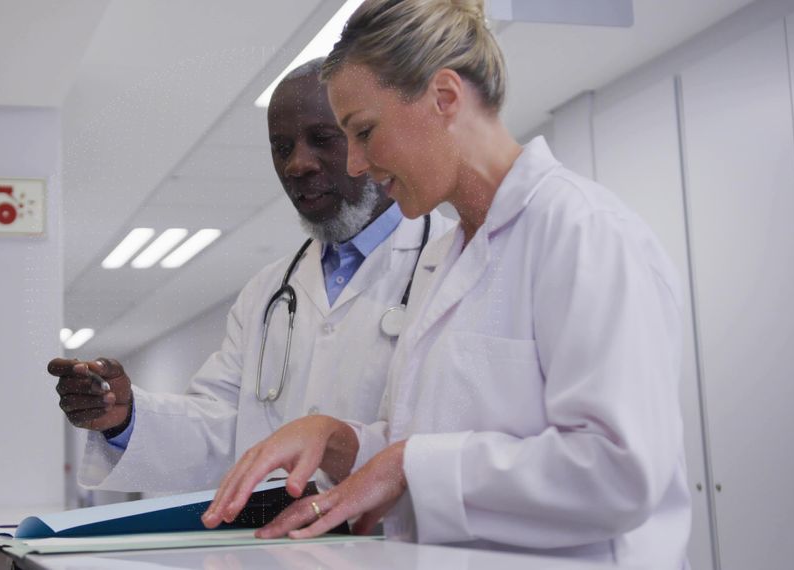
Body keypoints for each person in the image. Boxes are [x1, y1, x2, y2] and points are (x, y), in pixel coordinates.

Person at [203, 1, 692, 567]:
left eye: (364, 131)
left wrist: (408, 462)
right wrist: (340, 440)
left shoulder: (586, 234)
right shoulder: (445, 259)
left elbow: (620, 473)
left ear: (444, 97)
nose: (356, 164)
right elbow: (434, 444)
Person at [48, 58, 449, 494]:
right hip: (278, 548)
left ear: (368, 138)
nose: (298, 164)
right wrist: (123, 417)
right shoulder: (266, 293)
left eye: (322, 139)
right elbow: (221, 428)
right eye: (281, 147)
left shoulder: (451, 262)